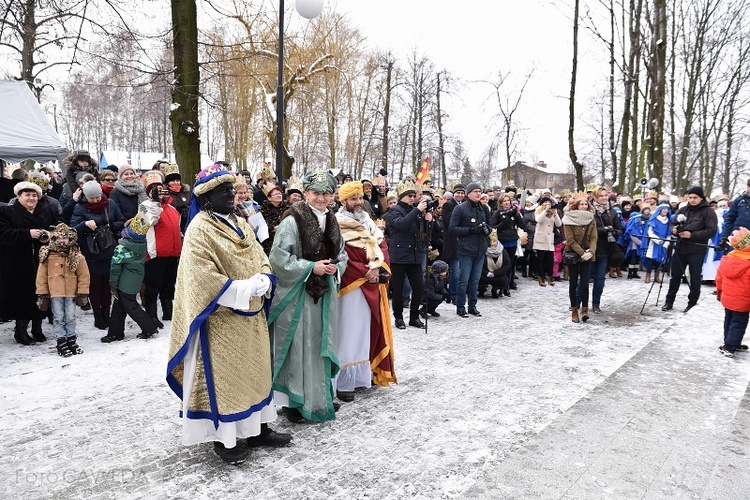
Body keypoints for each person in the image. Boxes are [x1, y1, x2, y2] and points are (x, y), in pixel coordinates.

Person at [167, 164, 290, 465]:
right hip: (221, 318)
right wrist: (240, 288)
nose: (231, 194)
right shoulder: (199, 228)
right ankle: (226, 440)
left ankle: (259, 428)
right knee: (228, 379)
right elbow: (200, 276)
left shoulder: (240, 222)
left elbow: (259, 255)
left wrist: (263, 277)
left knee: (257, 372)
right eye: (224, 190)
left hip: (252, 314)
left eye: (232, 188)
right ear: (207, 196)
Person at [268, 169, 347, 423]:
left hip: (324, 296)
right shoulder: (292, 221)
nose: (321, 198)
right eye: (316, 193)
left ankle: (318, 394)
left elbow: (342, 254)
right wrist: (311, 267)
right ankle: (294, 401)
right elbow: (278, 258)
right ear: (305, 194)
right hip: (299, 296)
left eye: (326, 193)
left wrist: (336, 267)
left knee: (319, 345)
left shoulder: (332, 220)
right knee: (299, 347)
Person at [334, 181, 396, 403]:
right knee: (348, 332)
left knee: (366, 330)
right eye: (353, 199)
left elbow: (382, 245)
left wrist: (377, 268)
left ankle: (363, 374)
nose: (359, 202)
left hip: (373, 280)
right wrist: (364, 271)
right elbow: (340, 255)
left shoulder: (368, 220)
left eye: (360, 198)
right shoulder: (337, 223)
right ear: (343, 201)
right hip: (352, 285)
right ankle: (344, 382)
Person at [0, 181, 58, 344]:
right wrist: (27, 233)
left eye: (34, 195)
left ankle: (37, 329)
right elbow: (3, 234)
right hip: (17, 262)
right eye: (27, 195)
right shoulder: (7, 212)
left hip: (41, 261)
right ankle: (20, 331)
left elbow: (57, 228)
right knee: (23, 296)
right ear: (18, 196)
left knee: (41, 294)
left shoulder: (45, 212)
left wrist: (49, 233)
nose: (31, 198)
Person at [70, 180, 126, 330]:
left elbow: (121, 220)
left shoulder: (110, 204)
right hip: (91, 250)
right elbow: (73, 229)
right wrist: (85, 225)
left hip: (108, 248)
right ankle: (98, 316)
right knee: (95, 284)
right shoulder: (80, 207)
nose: (95, 200)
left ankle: (106, 314)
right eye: (92, 198)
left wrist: (109, 226)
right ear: (86, 197)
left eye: (97, 197)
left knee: (107, 284)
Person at [102, 211, 159, 342]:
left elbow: (115, 267)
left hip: (125, 282)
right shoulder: (140, 244)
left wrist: (113, 282)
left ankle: (149, 327)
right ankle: (115, 333)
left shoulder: (122, 248)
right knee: (119, 307)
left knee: (131, 306)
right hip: (135, 279)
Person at [35, 223, 90, 356]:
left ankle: (71, 340)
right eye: (59, 238)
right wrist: (42, 294)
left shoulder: (77, 256)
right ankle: (61, 341)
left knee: (70, 317)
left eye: (64, 238)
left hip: (71, 293)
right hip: (55, 293)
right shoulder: (47, 255)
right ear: (54, 238)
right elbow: (41, 276)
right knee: (58, 317)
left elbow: (84, 275)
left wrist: (82, 292)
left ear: (70, 239)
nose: (62, 240)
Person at [662, 186, 718, 312]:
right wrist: (674, 230)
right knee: (675, 276)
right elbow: (673, 223)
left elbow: (711, 231)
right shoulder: (683, 209)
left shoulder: (708, 212)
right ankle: (669, 301)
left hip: (697, 250)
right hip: (680, 247)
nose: (692, 200)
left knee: (695, 278)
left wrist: (692, 235)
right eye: (690, 197)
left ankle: (692, 303)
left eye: (695, 198)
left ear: (701, 198)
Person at [140, 171, 183, 326]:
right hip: (155, 254)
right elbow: (146, 222)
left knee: (169, 285)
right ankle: (151, 315)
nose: (159, 191)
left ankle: (168, 312)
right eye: (154, 189)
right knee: (153, 285)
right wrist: (154, 202)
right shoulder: (145, 206)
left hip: (172, 253)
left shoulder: (171, 208)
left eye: (160, 188)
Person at [385, 179, 428, 329]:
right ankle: (398, 317)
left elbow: (422, 232)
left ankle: (414, 317)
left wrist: (427, 220)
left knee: (419, 286)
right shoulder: (394, 210)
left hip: (415, 254)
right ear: (401, 196)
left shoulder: (414, 210)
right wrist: (418, 211)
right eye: (409, 195)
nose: (412, 198)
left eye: (413, 195)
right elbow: (401, 225)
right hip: (399, 255)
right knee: (398, 288)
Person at [449, 182, 490, 317]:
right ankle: (461, 306)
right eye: (475, 191)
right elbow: (452, 228)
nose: (478, 193)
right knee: (464, 280)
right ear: (468, 193)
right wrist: (471, 230)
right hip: (465, 250)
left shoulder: (484, 209)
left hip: (480, 249)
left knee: (475, 280)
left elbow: (490, 227)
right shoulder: (460, 209)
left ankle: (472, 305)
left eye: (480, 191)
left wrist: (486, 230)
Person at [579, 187, 623, 314]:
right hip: (590, 249)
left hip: (605, 250)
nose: (604, 198)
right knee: (584, 278)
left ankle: (596, 304)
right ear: (595, 197)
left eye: (605, 195)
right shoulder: (589, 211)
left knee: (600, 279)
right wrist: (603, 230)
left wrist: (613, 232)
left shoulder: (612, 212)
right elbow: (585, 231)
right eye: (601, 196)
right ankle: (577, 302)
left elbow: (620, 229)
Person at [563, 195, 598, 323]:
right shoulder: (568, 219)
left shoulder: (591, 219)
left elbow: (594, 237)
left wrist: (591, 252)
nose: (584, 206)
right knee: (573, 283)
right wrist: (582, 253)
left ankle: (585, 309)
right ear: (576, 205)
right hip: (573, 253)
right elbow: (570, 240)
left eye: (586, 204)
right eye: (581, 204)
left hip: (588, 254)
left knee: (584, 283)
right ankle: (574, 310)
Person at [716, 227, 750, 357]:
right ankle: (730, 346)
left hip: (728, 297)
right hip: (743, 300)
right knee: (739, 323)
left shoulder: (728, 258)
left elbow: (719, 278)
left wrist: (719, 292)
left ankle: (731, 341)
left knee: (729, 320)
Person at [491, 193, 528, 291]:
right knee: (503, 263)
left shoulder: (513, 212)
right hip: (502, 241)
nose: (507, 203)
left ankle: (510, 281)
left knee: (511, 263)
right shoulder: (497, 213)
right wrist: (502, 224)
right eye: (504, 201)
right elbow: (492, 227)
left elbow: (523, 226)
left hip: (512, 241)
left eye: (508, 201)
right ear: (501, 203)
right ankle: (501, 282)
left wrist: (517, 214)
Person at [441, 184, 465, 304]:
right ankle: (453, 294)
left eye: (462, 193)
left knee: (462, 271)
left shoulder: (466, 205)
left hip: (464, 242)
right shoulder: (448, 205)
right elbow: (450, 222)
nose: (460, 195)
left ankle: (460, 293)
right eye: (458, 193)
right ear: (454, 193)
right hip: (452, 242)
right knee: (455, 271)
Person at [533, 196, 562, 286]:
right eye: (546, 203)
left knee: (550, 260)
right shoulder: (538, 211)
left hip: (549, 239)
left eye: (550, 203)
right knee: (540, 259)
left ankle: (550, 276)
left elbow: (559, 224)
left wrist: (555, 213)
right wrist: (545, 210)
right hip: (541, 238)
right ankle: (541, 277)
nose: (548, 205)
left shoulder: (552, 213)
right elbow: (538, 220)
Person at [478, 230, 512, 298]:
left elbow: (507, 264)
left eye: (494, 241)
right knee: (479, 277)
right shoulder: (483, 251)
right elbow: (479, 264)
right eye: (491, 242)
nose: (493, 244)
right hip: (485, 274)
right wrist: (487, 273)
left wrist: (496, 273)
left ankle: (495, 290)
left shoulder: (502, 251)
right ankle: (481, 291)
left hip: (498, 274)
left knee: (503, 279)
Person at [719, 178, 750, 249]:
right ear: (748, 187)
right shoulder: (738, 201)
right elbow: (730, 219)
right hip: (738, 238)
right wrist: (725, 236)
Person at [259, 182, 288, 256]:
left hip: (285, 239)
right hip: (269, 242)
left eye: (279, 193)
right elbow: (260, 226)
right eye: (276, 194)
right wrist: (272, 228)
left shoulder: (287, 208)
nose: (279, 195)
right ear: (269, 198)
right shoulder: (263, 209)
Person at [164, 164, 190, 234]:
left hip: (187, 225)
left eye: (177, 180)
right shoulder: (165, 195)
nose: (176, 183)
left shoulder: (186, 193)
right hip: (173, 226)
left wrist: (187, 209)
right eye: (172, 181)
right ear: (167, 183)